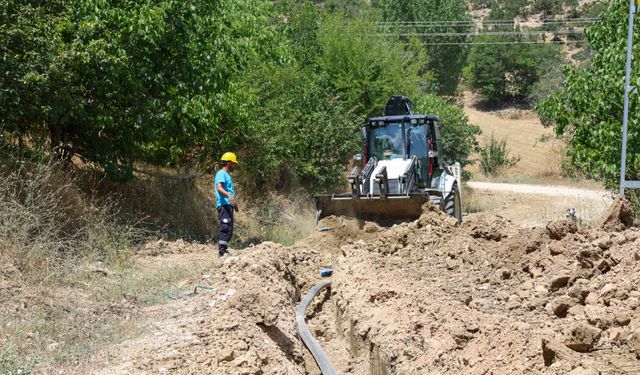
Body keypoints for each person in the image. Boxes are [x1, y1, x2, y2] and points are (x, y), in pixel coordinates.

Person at [214, 152, 238, 257]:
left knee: (229, 228)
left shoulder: (227, 175)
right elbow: (219, 187)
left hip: (228, 205)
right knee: (225, 227)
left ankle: (224, 250)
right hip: (223, 205)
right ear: (228, 163)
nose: (234, 166)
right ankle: (222, 252)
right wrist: (228, 195)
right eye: (233, 163)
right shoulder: (221, 173)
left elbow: (229, 193)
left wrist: (234, 204)